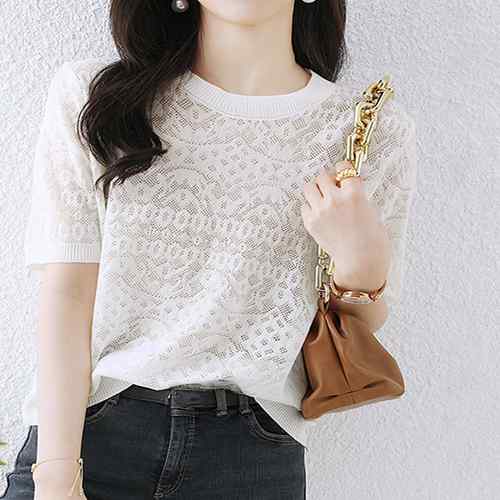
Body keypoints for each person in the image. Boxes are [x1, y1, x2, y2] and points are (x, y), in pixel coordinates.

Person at [1, 0, 417, 498]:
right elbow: (68, 294)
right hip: (89, 434)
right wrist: (56, 477)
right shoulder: (98, 98)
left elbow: (358, 327)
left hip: (251, 458)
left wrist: (362, 258)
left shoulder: (369, 128)